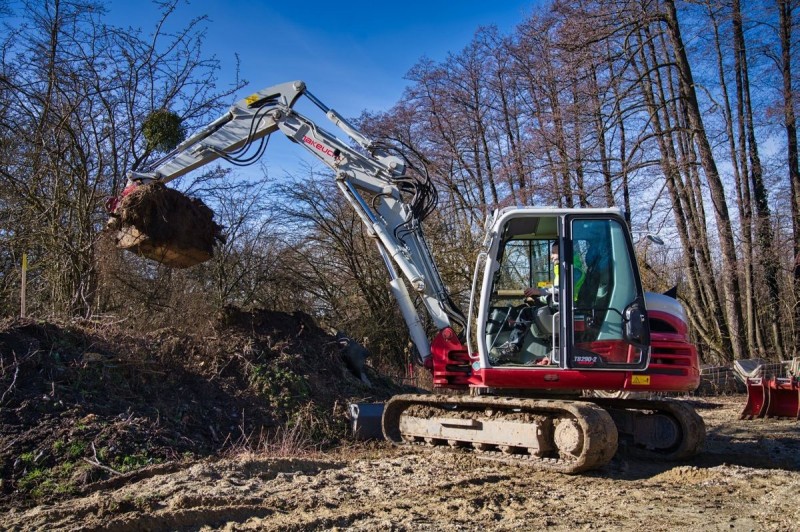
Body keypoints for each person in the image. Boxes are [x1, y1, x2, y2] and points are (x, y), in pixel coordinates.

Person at [491, 241, 585, 365]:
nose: (551, 256)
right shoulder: (567, 268)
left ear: (564, 253)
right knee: (527, 309)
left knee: (526, 313)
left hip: (567, 309)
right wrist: (539, 296)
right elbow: (558, 290)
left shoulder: (573, 270)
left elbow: (560, 289)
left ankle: (514, 347)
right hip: (563, 306)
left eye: (554, 253)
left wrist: (539, 292)